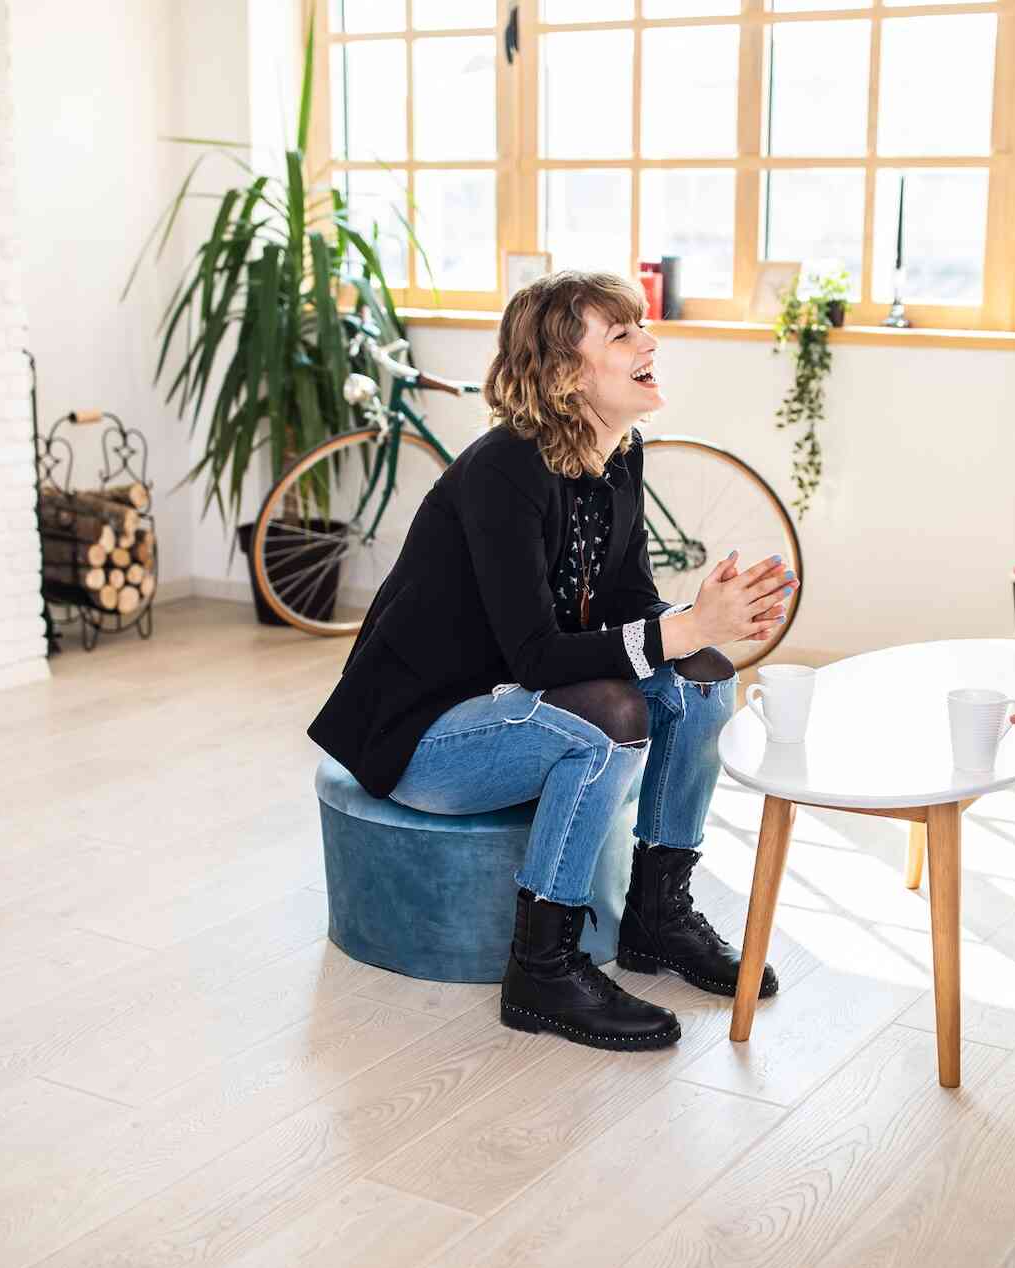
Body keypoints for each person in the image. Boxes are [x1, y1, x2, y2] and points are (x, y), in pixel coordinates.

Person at [308, 270, 798, 1052]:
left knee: (706, 678)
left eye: (640, 327)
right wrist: (678, 629)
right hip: (420, 732)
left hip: (508, 706)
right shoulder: (503, 469)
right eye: (623, 334)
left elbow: (632, 608)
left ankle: (656, 919)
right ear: (568, 374)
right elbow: (537, 656)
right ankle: (542, 967)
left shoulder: (619, 459)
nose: (650, 342)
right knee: (613, 713)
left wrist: (703, 622)